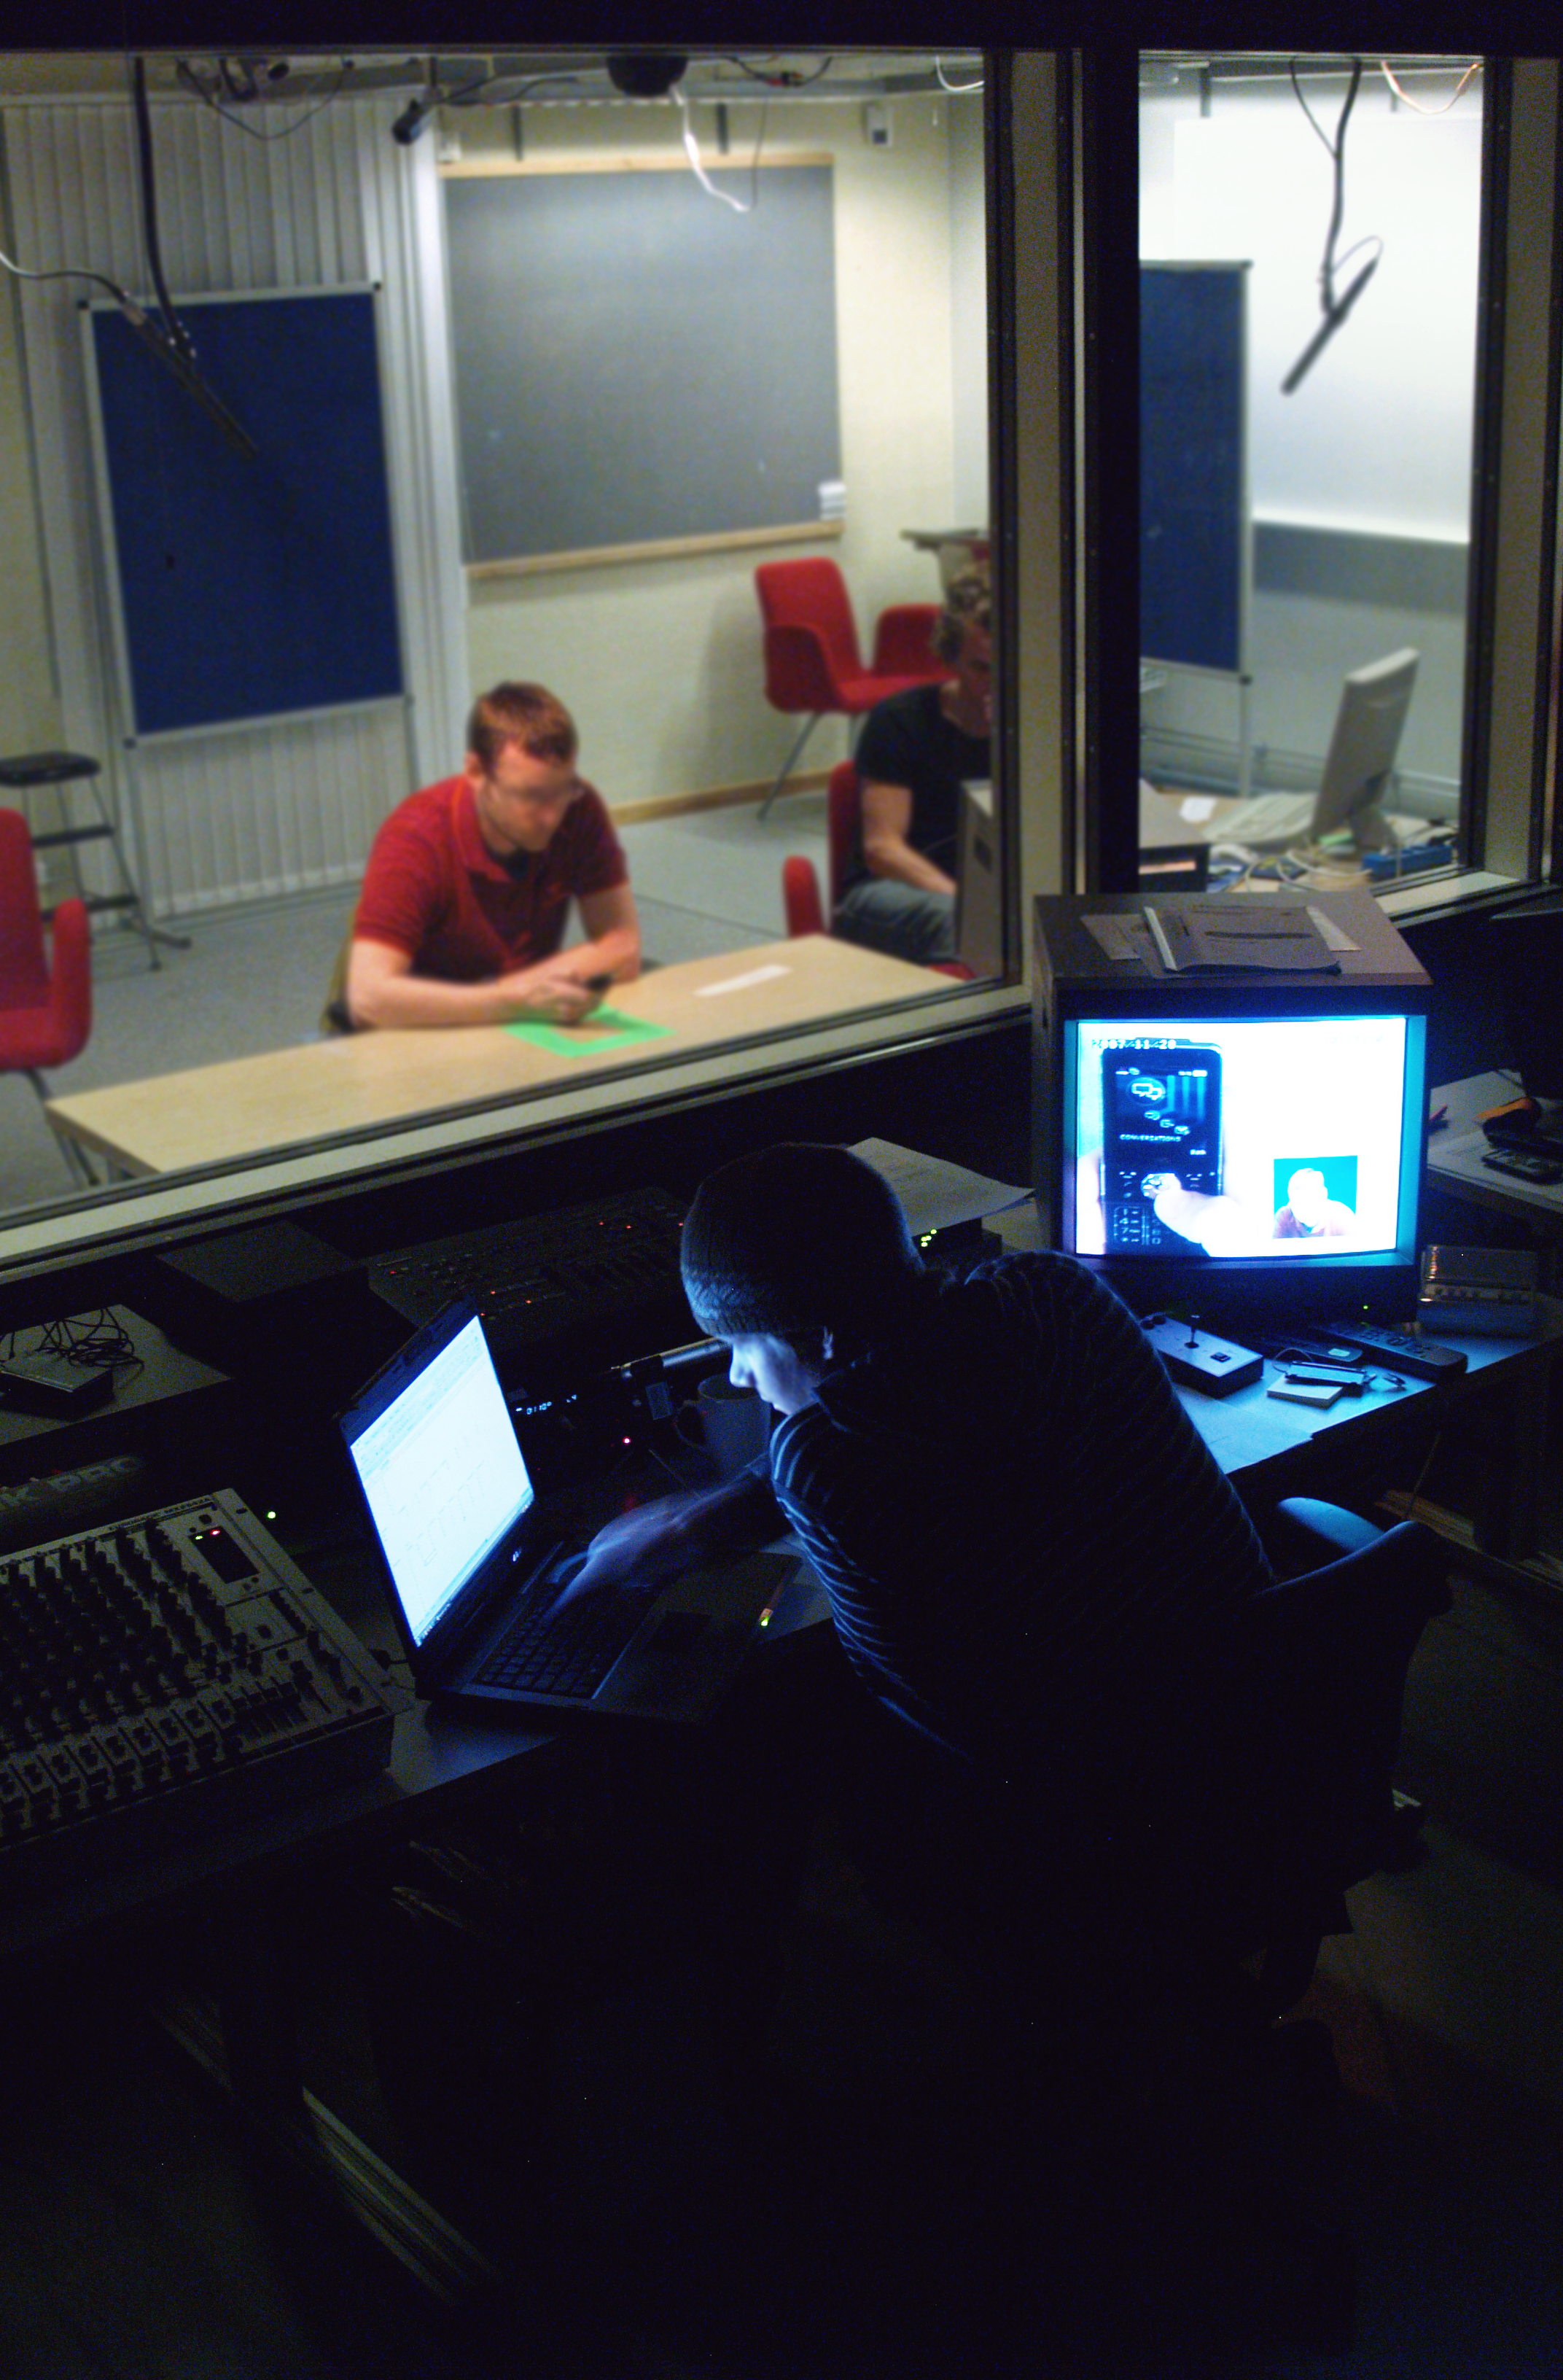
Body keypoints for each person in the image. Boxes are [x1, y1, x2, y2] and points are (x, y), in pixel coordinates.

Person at [566, 1143, 1274, 1991]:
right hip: (1246, 1748)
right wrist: (703, 1521)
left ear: (819, 1338)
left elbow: (936, 1721)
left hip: (1078, 1820)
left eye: (741, 1346)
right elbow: (922, 1387)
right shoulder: (1056, 1291)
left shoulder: (825, 1466)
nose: (737, 1376)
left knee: (755, 1741)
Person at [345, 682, 640, 1030]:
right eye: (531, 797)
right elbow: (367, 998)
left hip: (518, 1024)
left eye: (563, 790)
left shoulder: (579, 807)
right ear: (475, 773)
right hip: (424, 1031)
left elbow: (623, 945)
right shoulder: (416, 837)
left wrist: (514, 995)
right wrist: (514, 1001)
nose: (552, 816)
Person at [832, 563, 992, 967]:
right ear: (951, 658)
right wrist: (970, 902)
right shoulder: (901, 719)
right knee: (961, 922)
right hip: (889, 889)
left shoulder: (1036, 729)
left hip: (987, 891)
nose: (998, 682)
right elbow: (883, 849)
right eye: (981, 668)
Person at [1273, 1166, 1356, 1241]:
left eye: (1310, 1199)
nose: (1303, 1209)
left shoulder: (1343, 1217)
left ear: (1324, 1195)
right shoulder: (1284, 1216)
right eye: (1297, 1202)